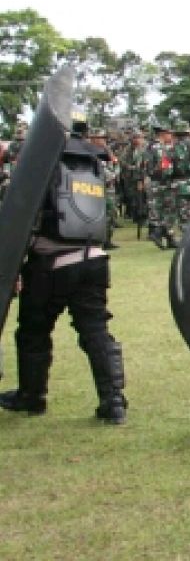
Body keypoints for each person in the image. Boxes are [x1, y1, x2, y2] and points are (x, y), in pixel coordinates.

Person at [0, 112, 128, 425]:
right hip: (94, 257)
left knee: (33, 330)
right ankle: (114, 402)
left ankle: (32, 396)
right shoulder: (93, 164)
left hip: (51, 260)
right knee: (95, 330)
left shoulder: (41, 165)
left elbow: (19, 217)